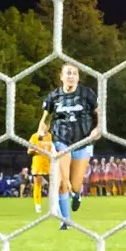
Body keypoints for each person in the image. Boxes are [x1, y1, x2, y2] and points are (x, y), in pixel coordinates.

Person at [39, 62, 102, 230]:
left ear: (78, 77)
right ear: (61, 77)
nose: (71, 76)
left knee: (74, 185)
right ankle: (66, 221)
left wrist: (97, 130)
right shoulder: (53, 97)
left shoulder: (87, 94)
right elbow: (45, 120)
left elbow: (100, 117)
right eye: (68, 73)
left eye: (74, 73)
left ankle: (77, 194)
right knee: (62, 183)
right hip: (61, 141)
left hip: (82, 143)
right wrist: (41, 131)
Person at [28, 128, 54, 213]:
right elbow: (29, 151)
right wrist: (35, 149)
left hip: (49, 164)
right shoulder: (35, 136)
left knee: (54, 185)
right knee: (37, 184)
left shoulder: (51, 136)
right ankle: (37, 205)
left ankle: (53, 205)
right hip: (38, 163)